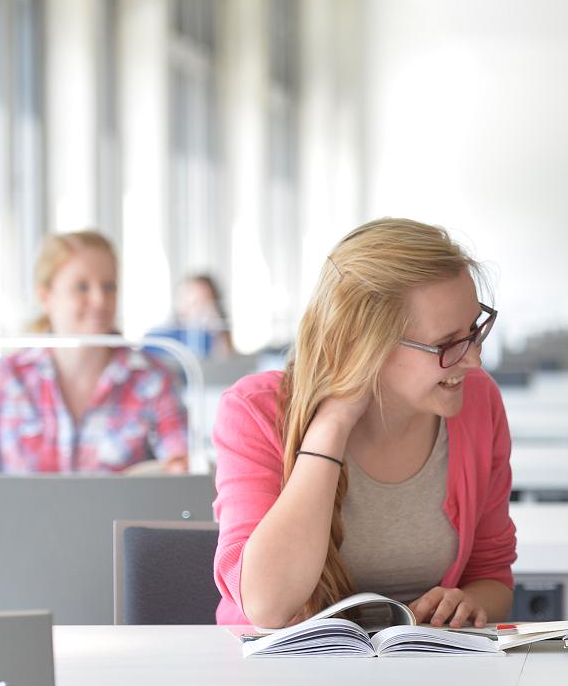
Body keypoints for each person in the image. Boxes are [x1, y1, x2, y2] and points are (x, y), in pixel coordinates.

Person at [211, 217, 515, 630]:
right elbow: (266, 605)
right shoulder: (254, 411)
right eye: (446, 345)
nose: (473, 360)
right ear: (365, 344)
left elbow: (493, 576)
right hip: (280, 683)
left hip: (431, 674)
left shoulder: (478, 402)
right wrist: (334, 421)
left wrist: (467, 603)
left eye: (474, 330)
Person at [0, 230, 189, 503]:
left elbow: (184, 466)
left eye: (109, 286)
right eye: (81, 287)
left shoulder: (152, 379)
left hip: (112, 540)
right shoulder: (2, 379)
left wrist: (180, 469)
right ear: (46, 296)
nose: (99, 300)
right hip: (20, 536)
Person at [151, 273, 235, 360]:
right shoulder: (160, 336)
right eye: (187, 297)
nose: (196, 309)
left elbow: (225, 363)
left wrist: (217, 331)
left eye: (202, 302)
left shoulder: (211, 335)